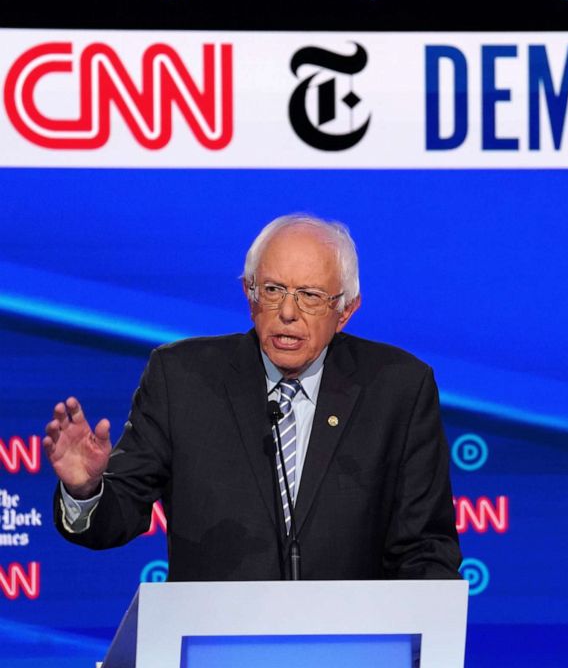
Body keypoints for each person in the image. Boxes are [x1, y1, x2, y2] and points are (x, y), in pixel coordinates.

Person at [45, 214, 462, 581]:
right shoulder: (183, 378)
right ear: (249, 294)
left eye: (311, 296)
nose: (287, 312)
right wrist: (86, 491)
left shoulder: (397, 389)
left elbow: (425, 547)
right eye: (274, 289)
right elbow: (119, 516)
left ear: (346, 311)